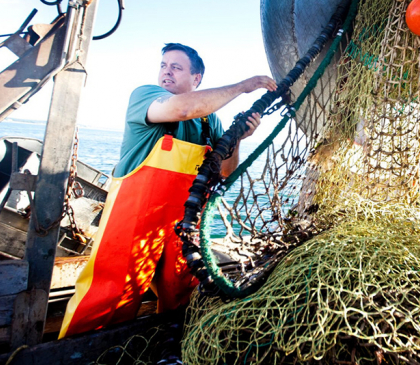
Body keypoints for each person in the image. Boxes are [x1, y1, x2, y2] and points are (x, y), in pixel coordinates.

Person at [59, 43, 277, 338]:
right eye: (163, 65)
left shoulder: (209, 120)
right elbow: (183, 108)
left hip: (184, 227)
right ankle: (76, 351)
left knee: (181, 294)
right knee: (112, 294)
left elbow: (226, 171)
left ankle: (168, 344)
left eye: (176, 67)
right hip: (134, 220)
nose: (166, 72)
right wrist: (243, 86)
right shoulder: (146, 96)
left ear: (197, 79)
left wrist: (239, 137)